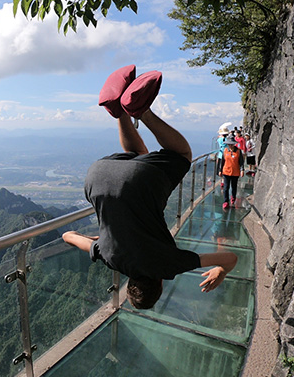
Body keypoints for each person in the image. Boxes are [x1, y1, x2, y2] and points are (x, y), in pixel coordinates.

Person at [63, 65, 238, 310]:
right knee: (137, 155)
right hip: (96, 177)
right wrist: (101, 239)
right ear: (129, 283)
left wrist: (220, 271)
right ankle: (119, 111)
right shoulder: (111, 258)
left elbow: (230, 258)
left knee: (182, 155)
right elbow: (67, 236)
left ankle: (142, 112)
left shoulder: (168, 266)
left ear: (160, 284)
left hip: (136, 182)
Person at [221, 137, 242, 209]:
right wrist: (220, 170)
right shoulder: (225, 150)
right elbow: (222, 161)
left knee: (234, 186)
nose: (230, 145)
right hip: (226, 171)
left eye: (231, 144)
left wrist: (242, 170)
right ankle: (225, 201)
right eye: (229, 144)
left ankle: (233, 197)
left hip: (235, 172)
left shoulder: (238, 151)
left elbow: (241, 162)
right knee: (226, 187)